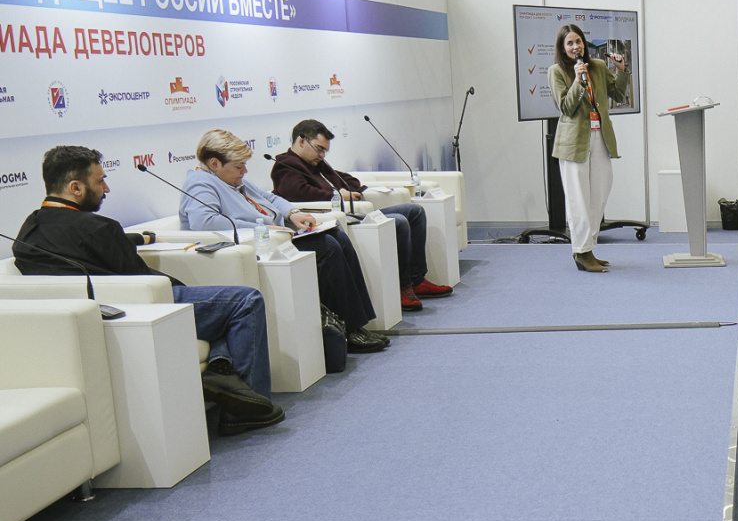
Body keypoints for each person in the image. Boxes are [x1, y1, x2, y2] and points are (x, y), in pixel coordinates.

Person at [11, 146, 284, 434]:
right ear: (76, 187)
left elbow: (80, 244)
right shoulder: (100, 228)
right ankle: (250, 403)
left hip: (90, 313)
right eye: (100, 181)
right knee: (245, 300)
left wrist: (139, 238)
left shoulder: (28, 230)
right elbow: (140, 276)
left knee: (220, 309)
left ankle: (220, 366)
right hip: (142, 305)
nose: (106, 189)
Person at [183, 130, 389, 354]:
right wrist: (261, 228)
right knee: (327, 248)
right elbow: (205, 222)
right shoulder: (200, 184)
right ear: (214, 163)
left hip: (278, 236)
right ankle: (348, 330)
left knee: (339, 237)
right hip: (258, 245)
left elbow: (270, 198)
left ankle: (357, 324)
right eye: (239, 166)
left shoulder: (232, 180)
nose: (245, 170)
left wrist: (292, 213)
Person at [270, 119, 453, 302]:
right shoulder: (285, 165)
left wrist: (347, 191)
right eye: (319, 149)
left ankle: (417, 279)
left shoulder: (317, 163)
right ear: (302, 141)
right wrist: (337, 194)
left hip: (354, 211)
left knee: (414, 211)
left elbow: (349, 180)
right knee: (399, 221)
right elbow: (298, 193)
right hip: (336, 218)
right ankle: (403, 287)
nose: (323, 155)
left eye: (325, 151)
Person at [543, 23, 631, 272]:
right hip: (574, 143)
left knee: (599, 194)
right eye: (569, 43)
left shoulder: (599, 67)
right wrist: (578, 81)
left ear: (584, 44)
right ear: (562, 48)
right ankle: (582, 252)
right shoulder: (556, 71)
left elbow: (619, 95)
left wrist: (622, 71)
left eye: (578, 41)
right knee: (578, 199)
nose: (575, 47)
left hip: (600, 137)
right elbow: (566, 107)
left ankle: (588, 247)